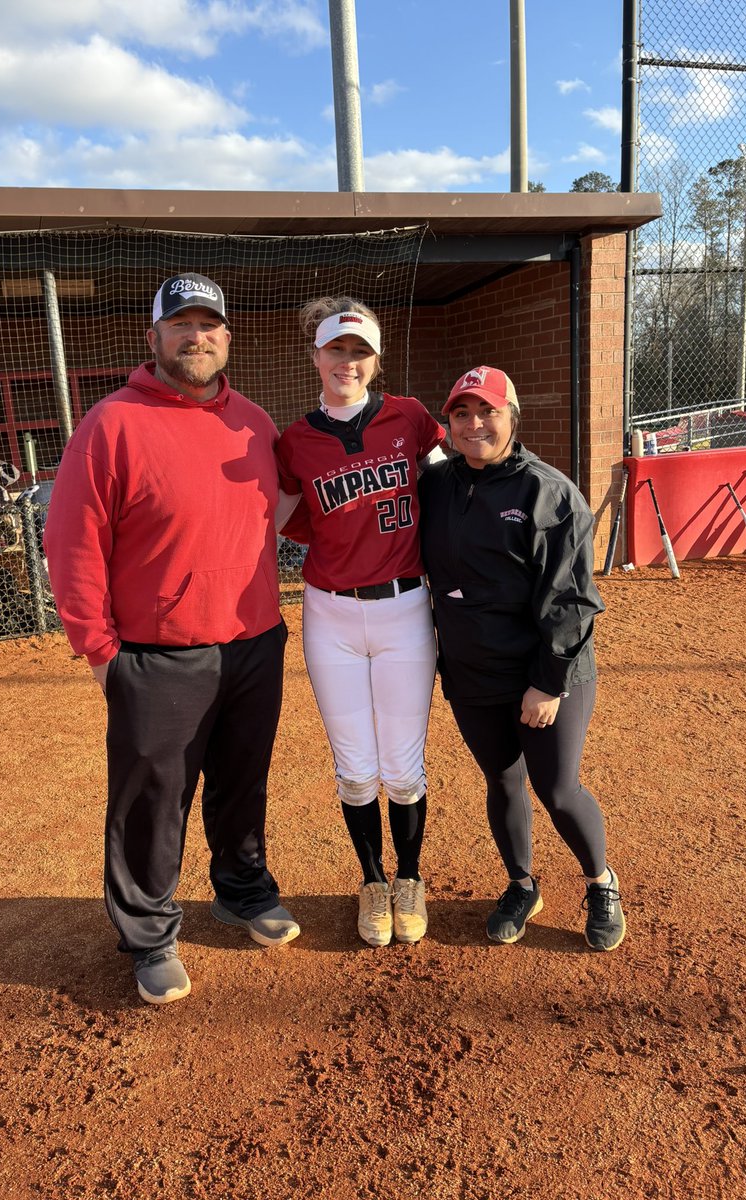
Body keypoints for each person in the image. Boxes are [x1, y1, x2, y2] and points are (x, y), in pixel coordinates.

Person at [44, 272, 300, 1006]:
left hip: (253, 640)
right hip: (157, 654)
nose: (197, 337)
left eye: (209, 325)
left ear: (228, 336)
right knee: (153, 797)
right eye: (181, 325)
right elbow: (71, 543)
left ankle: (242, 889)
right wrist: (98, 650)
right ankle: (149, 934)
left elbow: (291, 510)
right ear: (152, 338)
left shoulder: (254, 422)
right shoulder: (111, 423)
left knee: (242, 781)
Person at [418, 366, 626, 952]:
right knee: (502, 778)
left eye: (487, 411)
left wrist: (547, 683)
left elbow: (573, 601)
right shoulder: (436, 484)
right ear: (449, 424)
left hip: (544, 671)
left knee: (557, 788)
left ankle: (600, 881)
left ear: (512, 416)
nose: (475, 423)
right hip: (471, 669)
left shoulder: (550, 492)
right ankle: (521, 883)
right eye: (462, 413)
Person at [276, 298, 445, 947]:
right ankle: (372, 880)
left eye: (359, 351)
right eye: (336, 349)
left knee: (403, 770)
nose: (347, 362)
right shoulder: (296, 440)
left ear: (376, 360)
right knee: (354, 770)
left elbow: (454, 493)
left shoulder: (411, 419)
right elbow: (273, 514)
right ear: (317, 356)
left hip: (405, 609)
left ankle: (410, 878)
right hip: (330, 614)